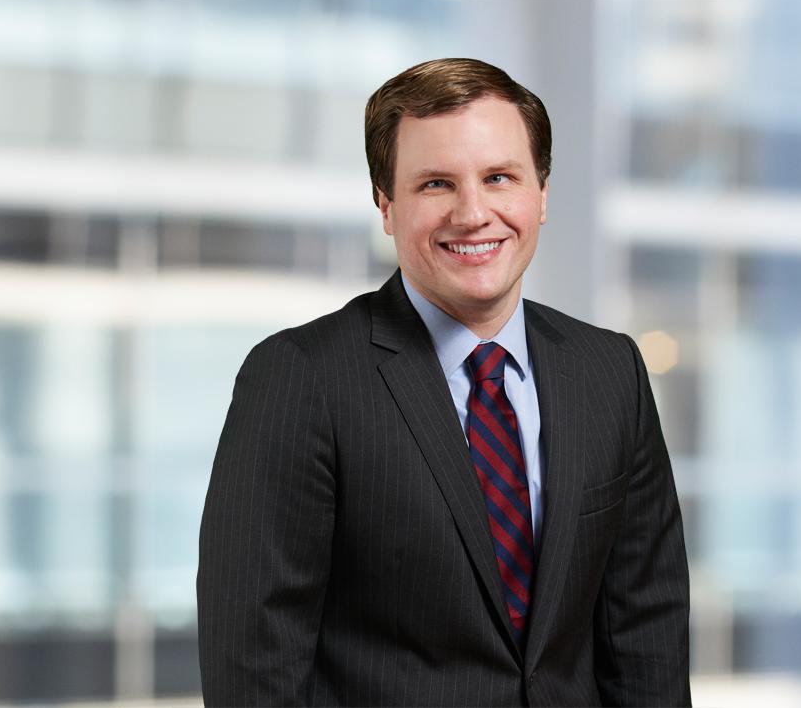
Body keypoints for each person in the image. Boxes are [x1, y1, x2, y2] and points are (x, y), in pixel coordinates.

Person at [197, 57, 691, 707]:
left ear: (541, 194)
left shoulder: (609, 370)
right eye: (436, 184)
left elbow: (647, 634)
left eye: (498, 178)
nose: (473, 213)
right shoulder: (300, 380)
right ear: (387, 206)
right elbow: (254, 668)